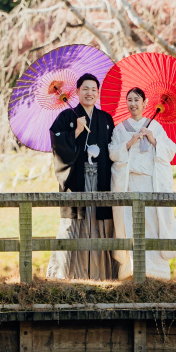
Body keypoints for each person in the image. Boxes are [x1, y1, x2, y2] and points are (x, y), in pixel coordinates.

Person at [47, 72, 116, 280]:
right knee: (74, 224)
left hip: (100, 178)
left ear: (98, 93)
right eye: (85, 89)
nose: (90, 93)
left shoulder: (105, 119)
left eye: (94, 89)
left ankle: (100, 276)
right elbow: (58, 145)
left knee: (98, 223)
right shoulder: (67, 117)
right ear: (76, 92)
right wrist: (76, 132)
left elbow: (113, 149)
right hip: (77, 179)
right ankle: (65, 275)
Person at [109, 85, 176, 279]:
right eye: (129, 100)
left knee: (152, 223)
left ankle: (156, 271)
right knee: (130, 224)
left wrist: (153, 140)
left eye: (137, 100)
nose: (133, 104)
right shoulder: (120, 129)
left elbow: (170, 151)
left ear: (145, 103)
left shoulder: (155, 127)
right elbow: (113, 153)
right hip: (129, 182)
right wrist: (129, 143)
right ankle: (131, 271)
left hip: (150, 183)